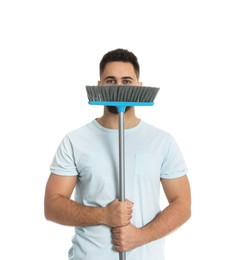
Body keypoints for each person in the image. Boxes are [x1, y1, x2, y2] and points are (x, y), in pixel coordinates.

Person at [44, 48, 191, 260]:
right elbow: (52, 205)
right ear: (99, 86)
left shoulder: (162, 141)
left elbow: (182, 204)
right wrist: (104, 215)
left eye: (127, 80)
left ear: (139, 87)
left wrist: (140, 236)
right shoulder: (75, 141)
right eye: (111, 80)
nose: (119, 87)